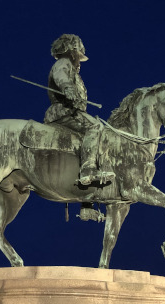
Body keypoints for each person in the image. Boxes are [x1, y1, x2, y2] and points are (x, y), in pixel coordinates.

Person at [45, 34, 114, 193]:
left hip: (73, 112)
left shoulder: (74, 71)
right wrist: (68, 88)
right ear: (72, 53)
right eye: (78, 56)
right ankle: (88, 170)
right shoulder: (63, 63)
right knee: (95, 126)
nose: (79, 61)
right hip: (63, 112)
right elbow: (60, 75)